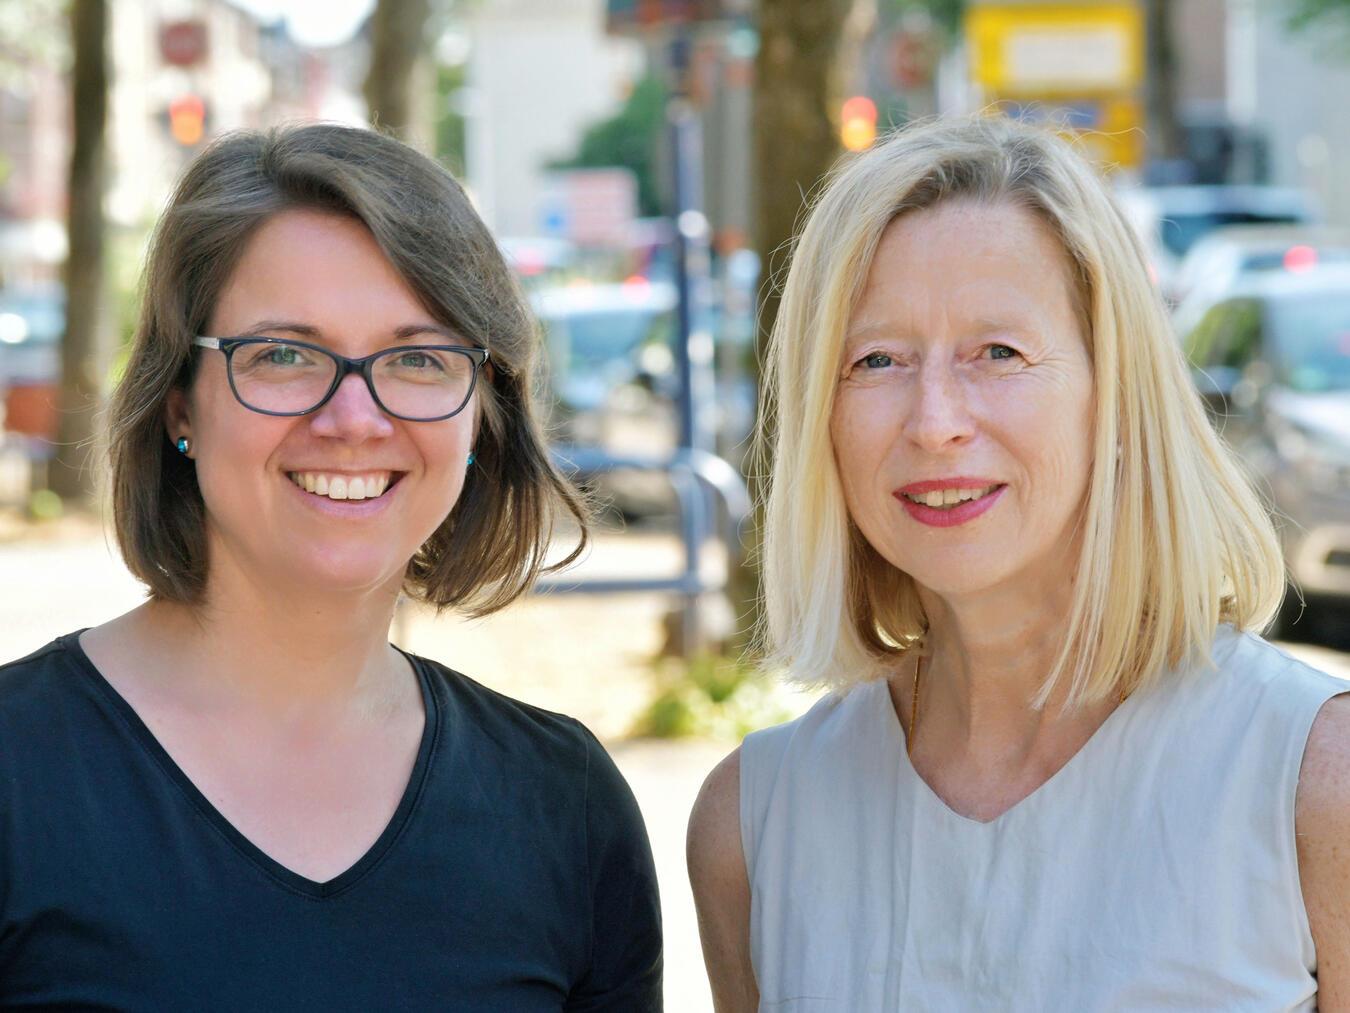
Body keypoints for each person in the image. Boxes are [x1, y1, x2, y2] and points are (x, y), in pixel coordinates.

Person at [687, 114, 1350, 1011]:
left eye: (997, 352)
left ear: (1115, 393)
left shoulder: (1313, 782)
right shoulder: (754, 827)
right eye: (876, 359)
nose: (934, 420)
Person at [0, 124, 662, 1009]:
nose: (355, 417)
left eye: (419, 358)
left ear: (481, 415)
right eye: (283, 354)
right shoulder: (17, 773)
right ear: (177, 406)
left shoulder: (568, 810)